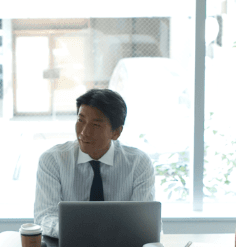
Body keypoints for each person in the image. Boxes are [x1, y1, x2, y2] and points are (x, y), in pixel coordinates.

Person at [33, 88, 155, 237]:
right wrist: (78, 232)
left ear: (116, 132)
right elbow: (45, 216)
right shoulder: (53, 160)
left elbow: (143, 221)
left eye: (96, 125)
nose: (84, 132)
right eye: (81, 120)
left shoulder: (139, 163)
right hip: (68, 242)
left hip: (121, 244)